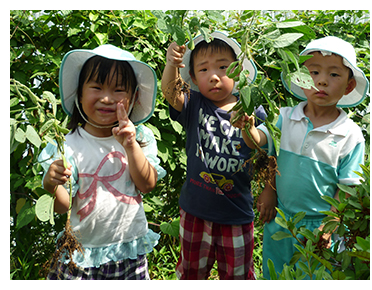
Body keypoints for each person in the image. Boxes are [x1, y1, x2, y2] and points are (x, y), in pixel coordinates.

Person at [231, 36, 369, 279]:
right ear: (300, 78)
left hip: (320, 228)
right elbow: (260, 144)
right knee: (276, 273)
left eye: (334, 75)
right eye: (313, 72)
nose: (322, 81)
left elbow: (347, 188)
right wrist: (247, 127)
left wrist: (331, 224)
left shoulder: (350, 135)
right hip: (282, 218)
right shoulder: (284, 117)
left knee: (315, 275)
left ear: (348, 86)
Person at [38, 44, 166, 280]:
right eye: (96, 87)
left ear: (134, 97)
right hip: (81, 254)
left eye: (119, 90)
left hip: (129, 250)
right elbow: (63, 206)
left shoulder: (140, 138)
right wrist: (51, 184)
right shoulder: (67, 146)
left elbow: (147, 184)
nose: (107, 98)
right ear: (79, 93)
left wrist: (130, 145)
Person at [161, 31, 267, 280]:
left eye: (223, 67)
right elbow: (170, 93)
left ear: (239, 71)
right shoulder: (196, 104)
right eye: (204, 69)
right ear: (195, 79)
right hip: (196, 210)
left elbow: (260, 145)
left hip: (237, 213)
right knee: (191, 272)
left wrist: (249, 128)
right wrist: (171, 64)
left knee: (237, 275)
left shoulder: (251, 106)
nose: (215, 76)